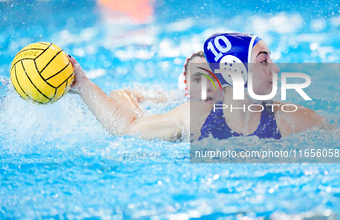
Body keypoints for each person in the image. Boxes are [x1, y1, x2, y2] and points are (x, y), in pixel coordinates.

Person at [68, 32, 327, 142]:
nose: (276, 69)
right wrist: (82, 82)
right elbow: (127, 129)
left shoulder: (292, 118)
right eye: (264, 61)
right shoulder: (192, 116)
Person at [108, 51, 224, 115]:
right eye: (197, 80)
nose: (206, 87)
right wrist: (139, 117)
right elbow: (118, 93)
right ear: (185, 85)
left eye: (213, 78)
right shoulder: (176, 100)